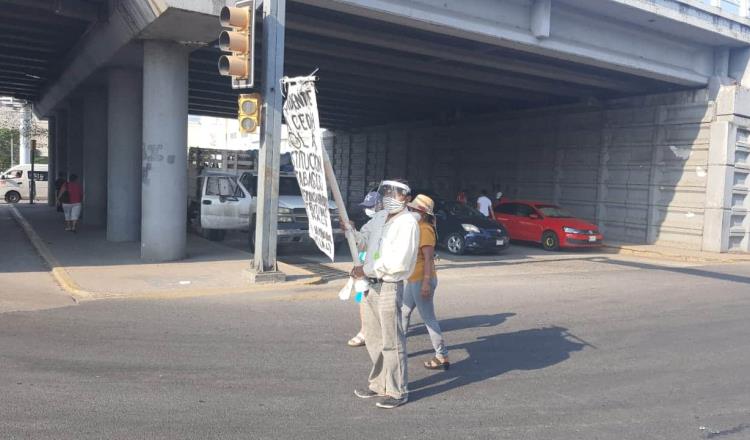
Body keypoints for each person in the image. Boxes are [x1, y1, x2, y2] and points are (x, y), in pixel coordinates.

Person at [348, 179, 419, 409]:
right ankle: (379, 384)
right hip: (370, 284)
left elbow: (398, 262)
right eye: (388, 191)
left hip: (389, 285)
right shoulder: (379, 217)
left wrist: (364, 269)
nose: (390, 196)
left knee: (392, 340)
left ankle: (398, 391)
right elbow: (363, 242)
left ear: (406, 198)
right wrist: (350, 230)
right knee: (374, 338)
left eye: (397, 193)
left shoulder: (408, 222)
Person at [403, 194, 449, 370]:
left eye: (413, 209)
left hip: (422, 279)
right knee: (403, 312)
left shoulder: (425, 229)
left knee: (428, 319)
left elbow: (429, 259)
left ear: (421, 213)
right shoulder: (416, 226)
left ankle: (442, 355)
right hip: (414, 277)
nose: (410, 210)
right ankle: (398, 346)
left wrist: (426, 283)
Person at [347, 191, 382, 348]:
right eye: (365, 207)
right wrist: (351, 231)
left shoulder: (392, 223)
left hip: (382, 273)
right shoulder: (369, 225)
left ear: (380, 205)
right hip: (367, 270)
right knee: (363, 298)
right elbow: (362, 245)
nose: (367, 210)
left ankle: (377, 331)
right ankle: (365, 330)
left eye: (370, 206)